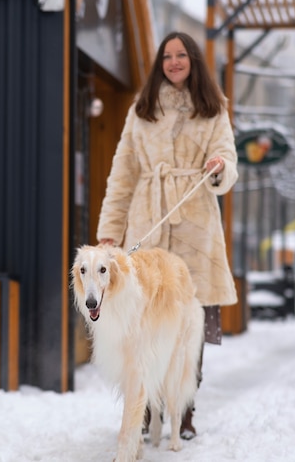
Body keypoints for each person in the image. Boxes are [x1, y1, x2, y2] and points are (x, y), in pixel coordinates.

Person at [96, 31, 239, 440]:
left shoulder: (214, 109)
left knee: (189, 324)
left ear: (193, 60)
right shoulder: (139, 111)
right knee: (139, 325)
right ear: (160, 62)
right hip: (148, 223)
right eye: (167, 56)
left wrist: (219, 167)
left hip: (196, 225)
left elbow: (228, 160)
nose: (174, 62)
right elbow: (121, 176)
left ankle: (183, 410)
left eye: (181, 55)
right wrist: (110, 232)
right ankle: (141, 411)